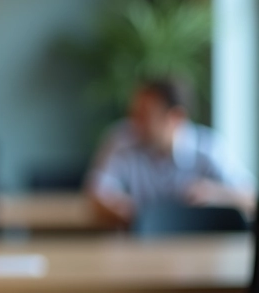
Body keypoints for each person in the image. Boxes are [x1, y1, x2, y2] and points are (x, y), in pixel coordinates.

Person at [86, 78, 255, 226]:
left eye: (144, 115)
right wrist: (121, 208)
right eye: (133, 113)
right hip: (139, 248)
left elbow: (251, 198)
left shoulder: (208, 148)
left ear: (176, 117)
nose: (134, 121)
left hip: (199, 247)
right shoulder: (121, 140)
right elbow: (96, 192)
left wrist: (216, 194)